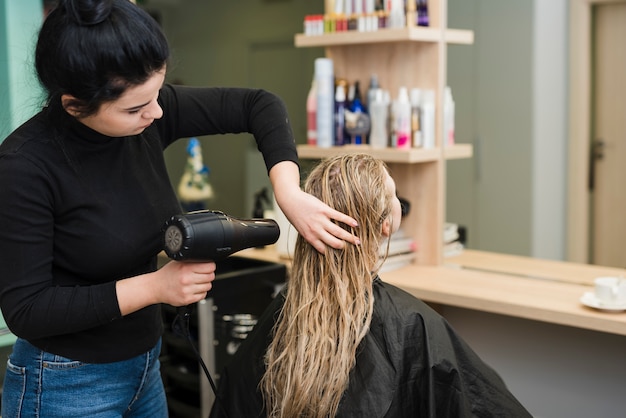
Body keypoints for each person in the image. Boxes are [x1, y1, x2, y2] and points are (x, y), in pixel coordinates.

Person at [0, 0, 358, 417]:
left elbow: (260, 104)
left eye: (157, 94)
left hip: (145, 369)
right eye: (135, 108)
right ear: (74, 104)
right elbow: (28, 311)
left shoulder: (149, 116)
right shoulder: (24, 166)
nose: (156, 113)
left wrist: (288, 191)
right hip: (65, 384)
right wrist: (155, 287)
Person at [210, 153, 532, 418]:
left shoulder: (282, 314)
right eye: (393, 194)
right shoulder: (412, 325)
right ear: (386, 225)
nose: (398, 199)